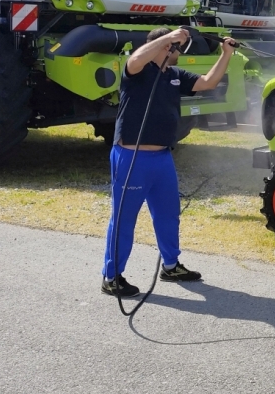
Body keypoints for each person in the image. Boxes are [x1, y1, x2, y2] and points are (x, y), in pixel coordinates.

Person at [101, 27, 238, 297]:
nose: (179, 53)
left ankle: (171, 266)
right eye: (176, 48)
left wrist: (226, 54)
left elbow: (208, 82)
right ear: (166, 47)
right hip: (132, 157)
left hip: (162, 158)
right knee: (124, 219)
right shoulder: (137, 71)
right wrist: (169, 37)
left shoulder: (175, 76)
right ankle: (111, 276)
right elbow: (136, 59)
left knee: (167, 214)